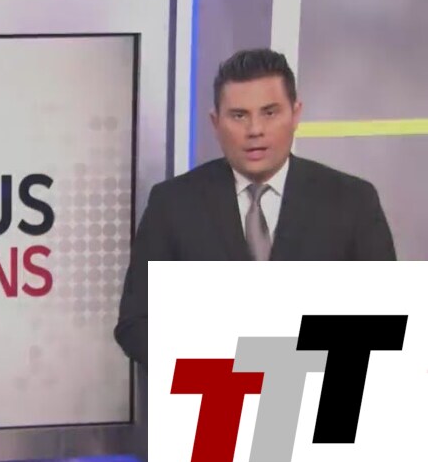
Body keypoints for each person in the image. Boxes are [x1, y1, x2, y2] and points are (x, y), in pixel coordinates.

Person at [114, 48, 396, 366]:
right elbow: (135, 324)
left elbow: (386, 318)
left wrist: (292, 362)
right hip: (213, 391)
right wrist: (223, 364)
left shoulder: (352, 200)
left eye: (270, 113)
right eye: (239, 115)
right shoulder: (173, 204)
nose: (255, 130)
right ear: (215, 122)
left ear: (296, 114)